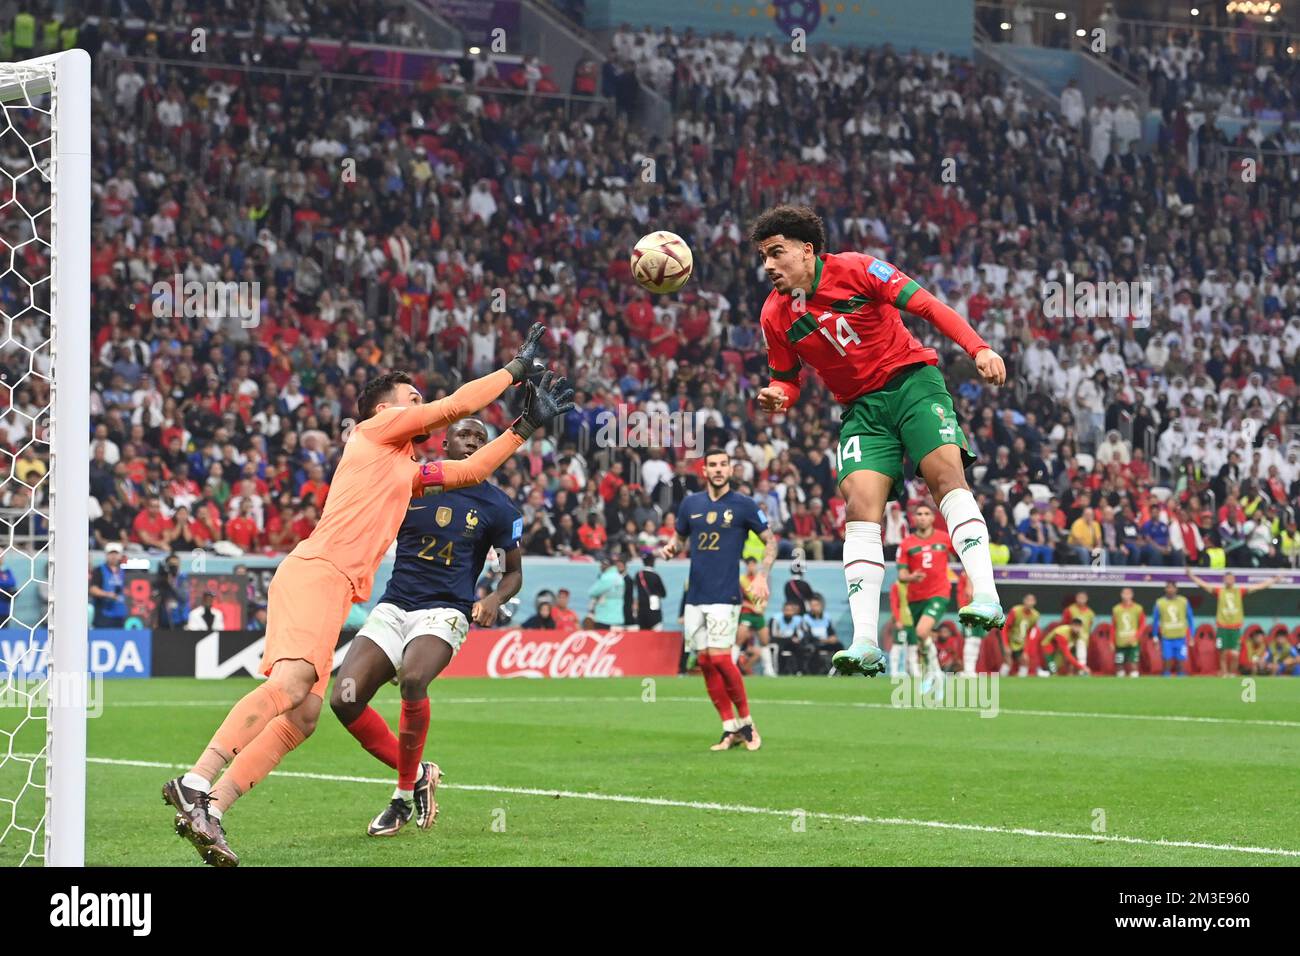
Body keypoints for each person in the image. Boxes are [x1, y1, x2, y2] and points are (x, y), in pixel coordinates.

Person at [161, 323, 559, 866]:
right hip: (319, 572)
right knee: (295, 683)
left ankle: (213, 810)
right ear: (383, 410)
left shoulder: (402, 469)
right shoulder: (375, 434)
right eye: (410, 397)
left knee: (302, 716)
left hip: (332, 583)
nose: (420, 402)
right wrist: (514, 370)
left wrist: (525, 426)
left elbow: (471, 469)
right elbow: (455, 405)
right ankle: (195, 780)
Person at [748, 205, 1006, 680]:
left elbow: (927, 305)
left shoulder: (859, 269)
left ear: (807, 250)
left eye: (776, 253)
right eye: (763, 256)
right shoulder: (774, 314)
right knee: (861, 507)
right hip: (862, 410)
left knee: (945, 474)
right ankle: (865, 641)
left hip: (912, 382)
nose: (768, 265)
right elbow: (786, 379)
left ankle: (985, 594)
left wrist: (979, 347)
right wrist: (777, 396)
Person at [330, 418, 525, 837]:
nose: (472, 442)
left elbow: (513, 574)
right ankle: (420, 773)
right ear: (445, 442)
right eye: (464, 436)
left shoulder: (499, 507)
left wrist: (492, 599)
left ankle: (400, 797)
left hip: (445, 611)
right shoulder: (413, 483)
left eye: (480, 439)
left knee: (413, 678)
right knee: (344, 699)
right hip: (394, 606)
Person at [662, 448, 776, 750]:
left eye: (723, 465)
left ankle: (748, 724)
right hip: (695, 595)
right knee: (703, 661)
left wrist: (762, 574)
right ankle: (729, 728)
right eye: (712, 465)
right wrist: (672, 548)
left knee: (721, 659)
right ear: (705, 471)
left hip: (725, 595)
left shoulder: (745, 506)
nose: (718, 469)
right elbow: (681, 539)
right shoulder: (690, 504)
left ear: (730, 470)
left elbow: (771, 542)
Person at [890, 503, 954, 688]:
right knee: (922, 638)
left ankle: (935, 672)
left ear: (933, 518)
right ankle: (936, 672)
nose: (923, 517)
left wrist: (972, 581)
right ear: (914, 518)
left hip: (939, 593)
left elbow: (965, 556)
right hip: (915, 598)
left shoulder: (945, 538)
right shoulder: (906, 544)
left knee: (921, 631)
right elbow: (901, 575)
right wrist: (911, 577)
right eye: (919, 514)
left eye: (926, 513)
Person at [1187, 570, 1283, 677]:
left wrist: (1274, 580)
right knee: (1222, 653)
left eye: (1231, 578)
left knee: (1235, 654)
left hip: (1235, 628)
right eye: (1227, 578)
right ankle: (1224, 673)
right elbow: (1204, 585)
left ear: (1234, 580)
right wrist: (1191, 576)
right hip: (1222, 627)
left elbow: (1258, 586)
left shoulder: (1239, 591)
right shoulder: (1220, 591)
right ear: (1224, 580)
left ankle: (1232, 673)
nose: (1229, 580)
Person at [1152, 582, 1194, 677]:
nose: (1170, 590)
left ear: (1176, 589)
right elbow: (1155, 621)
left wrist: (1192, 635)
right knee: (1167, 661)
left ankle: (1181, 679)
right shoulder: (1160, 602)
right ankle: (1166, 677)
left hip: (1181, 637)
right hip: (1167, 638)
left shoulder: (1183, 601)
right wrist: (1155, 636)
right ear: (1165, 589)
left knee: (1181, 661)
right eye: (1168, 587)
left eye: (1172, 588)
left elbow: (1190, 619)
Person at [88, 543, 128, 628]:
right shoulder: (99, 570)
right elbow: (92, 589)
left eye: (116, 554)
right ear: (106, 555)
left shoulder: (123, 571)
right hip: (104, 613)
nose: (113, 556)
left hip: (120, 613)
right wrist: (107, 594)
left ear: (120, 555)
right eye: (111, 553)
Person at [1110, 587, 1145, 678]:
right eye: (1124, 594)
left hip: (1133, 643)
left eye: (1128, 594)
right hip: (1120, 643)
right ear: (1121, 595)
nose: (1126, 596)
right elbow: (1113, 627)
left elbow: (1142, 625)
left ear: (1132, 595)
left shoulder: (1138, 608)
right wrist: (1111, 641)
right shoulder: (1116, 609)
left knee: (1134, 664)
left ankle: (1135, 686)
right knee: (1119, 664)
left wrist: (1135, 637)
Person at [626, 553, 666, 630]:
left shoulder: (638, 574)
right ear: (653, 562)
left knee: (643, 635)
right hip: (654, 612)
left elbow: (634, 591)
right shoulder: (655, 576)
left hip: (641, 610)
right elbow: (663, 593)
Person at [1002, 594, 1040, 676]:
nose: (1030, 603)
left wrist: (1026, 650)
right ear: (1024, 601)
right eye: (1028, 600)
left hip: (1021, 642)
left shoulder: (1035, 615)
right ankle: (1000, 679)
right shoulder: (1015, 611)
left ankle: (1021, 682)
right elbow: (1005, 628)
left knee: (1025, 660)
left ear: (1035, 602)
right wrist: (1006, 645)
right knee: (1008, 661)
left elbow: (1029, 633)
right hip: (1010, 640)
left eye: (1032, 600)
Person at [768, 600, 809, 676]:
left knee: (800, 648)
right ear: (783, 610)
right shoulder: (776, 619)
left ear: (794, 612)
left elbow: (800, 634)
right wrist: (789, 638)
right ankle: (777, 671)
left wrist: (797, 639)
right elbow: (773, 635)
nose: (788, 612)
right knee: (777, 648)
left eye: (791, 610)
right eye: (786, 610)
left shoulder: (798, 620)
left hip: (790, 642)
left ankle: (799, 671)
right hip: (778, 642)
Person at [586, 555, 626, 628]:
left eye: (602, 564)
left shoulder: (607, 577)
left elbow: (592, 592)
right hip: (618, 616)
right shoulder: (619, 577)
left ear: (607, 565)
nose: (600, 566)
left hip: (605, 616)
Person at [1061, 591, 1095, 675]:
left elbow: (1089, 626)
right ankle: (1068, 674)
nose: (1081, 600)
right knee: (1069, 657)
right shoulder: (1069, 610)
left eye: (1083, 598)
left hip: (1082, 639)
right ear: (1076, 598)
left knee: (1081, 656)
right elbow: (1064, 624)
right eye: (1079, 597)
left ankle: (1082, 672)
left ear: (1087, 599)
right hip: (1070, 638)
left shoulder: (1090, 613)